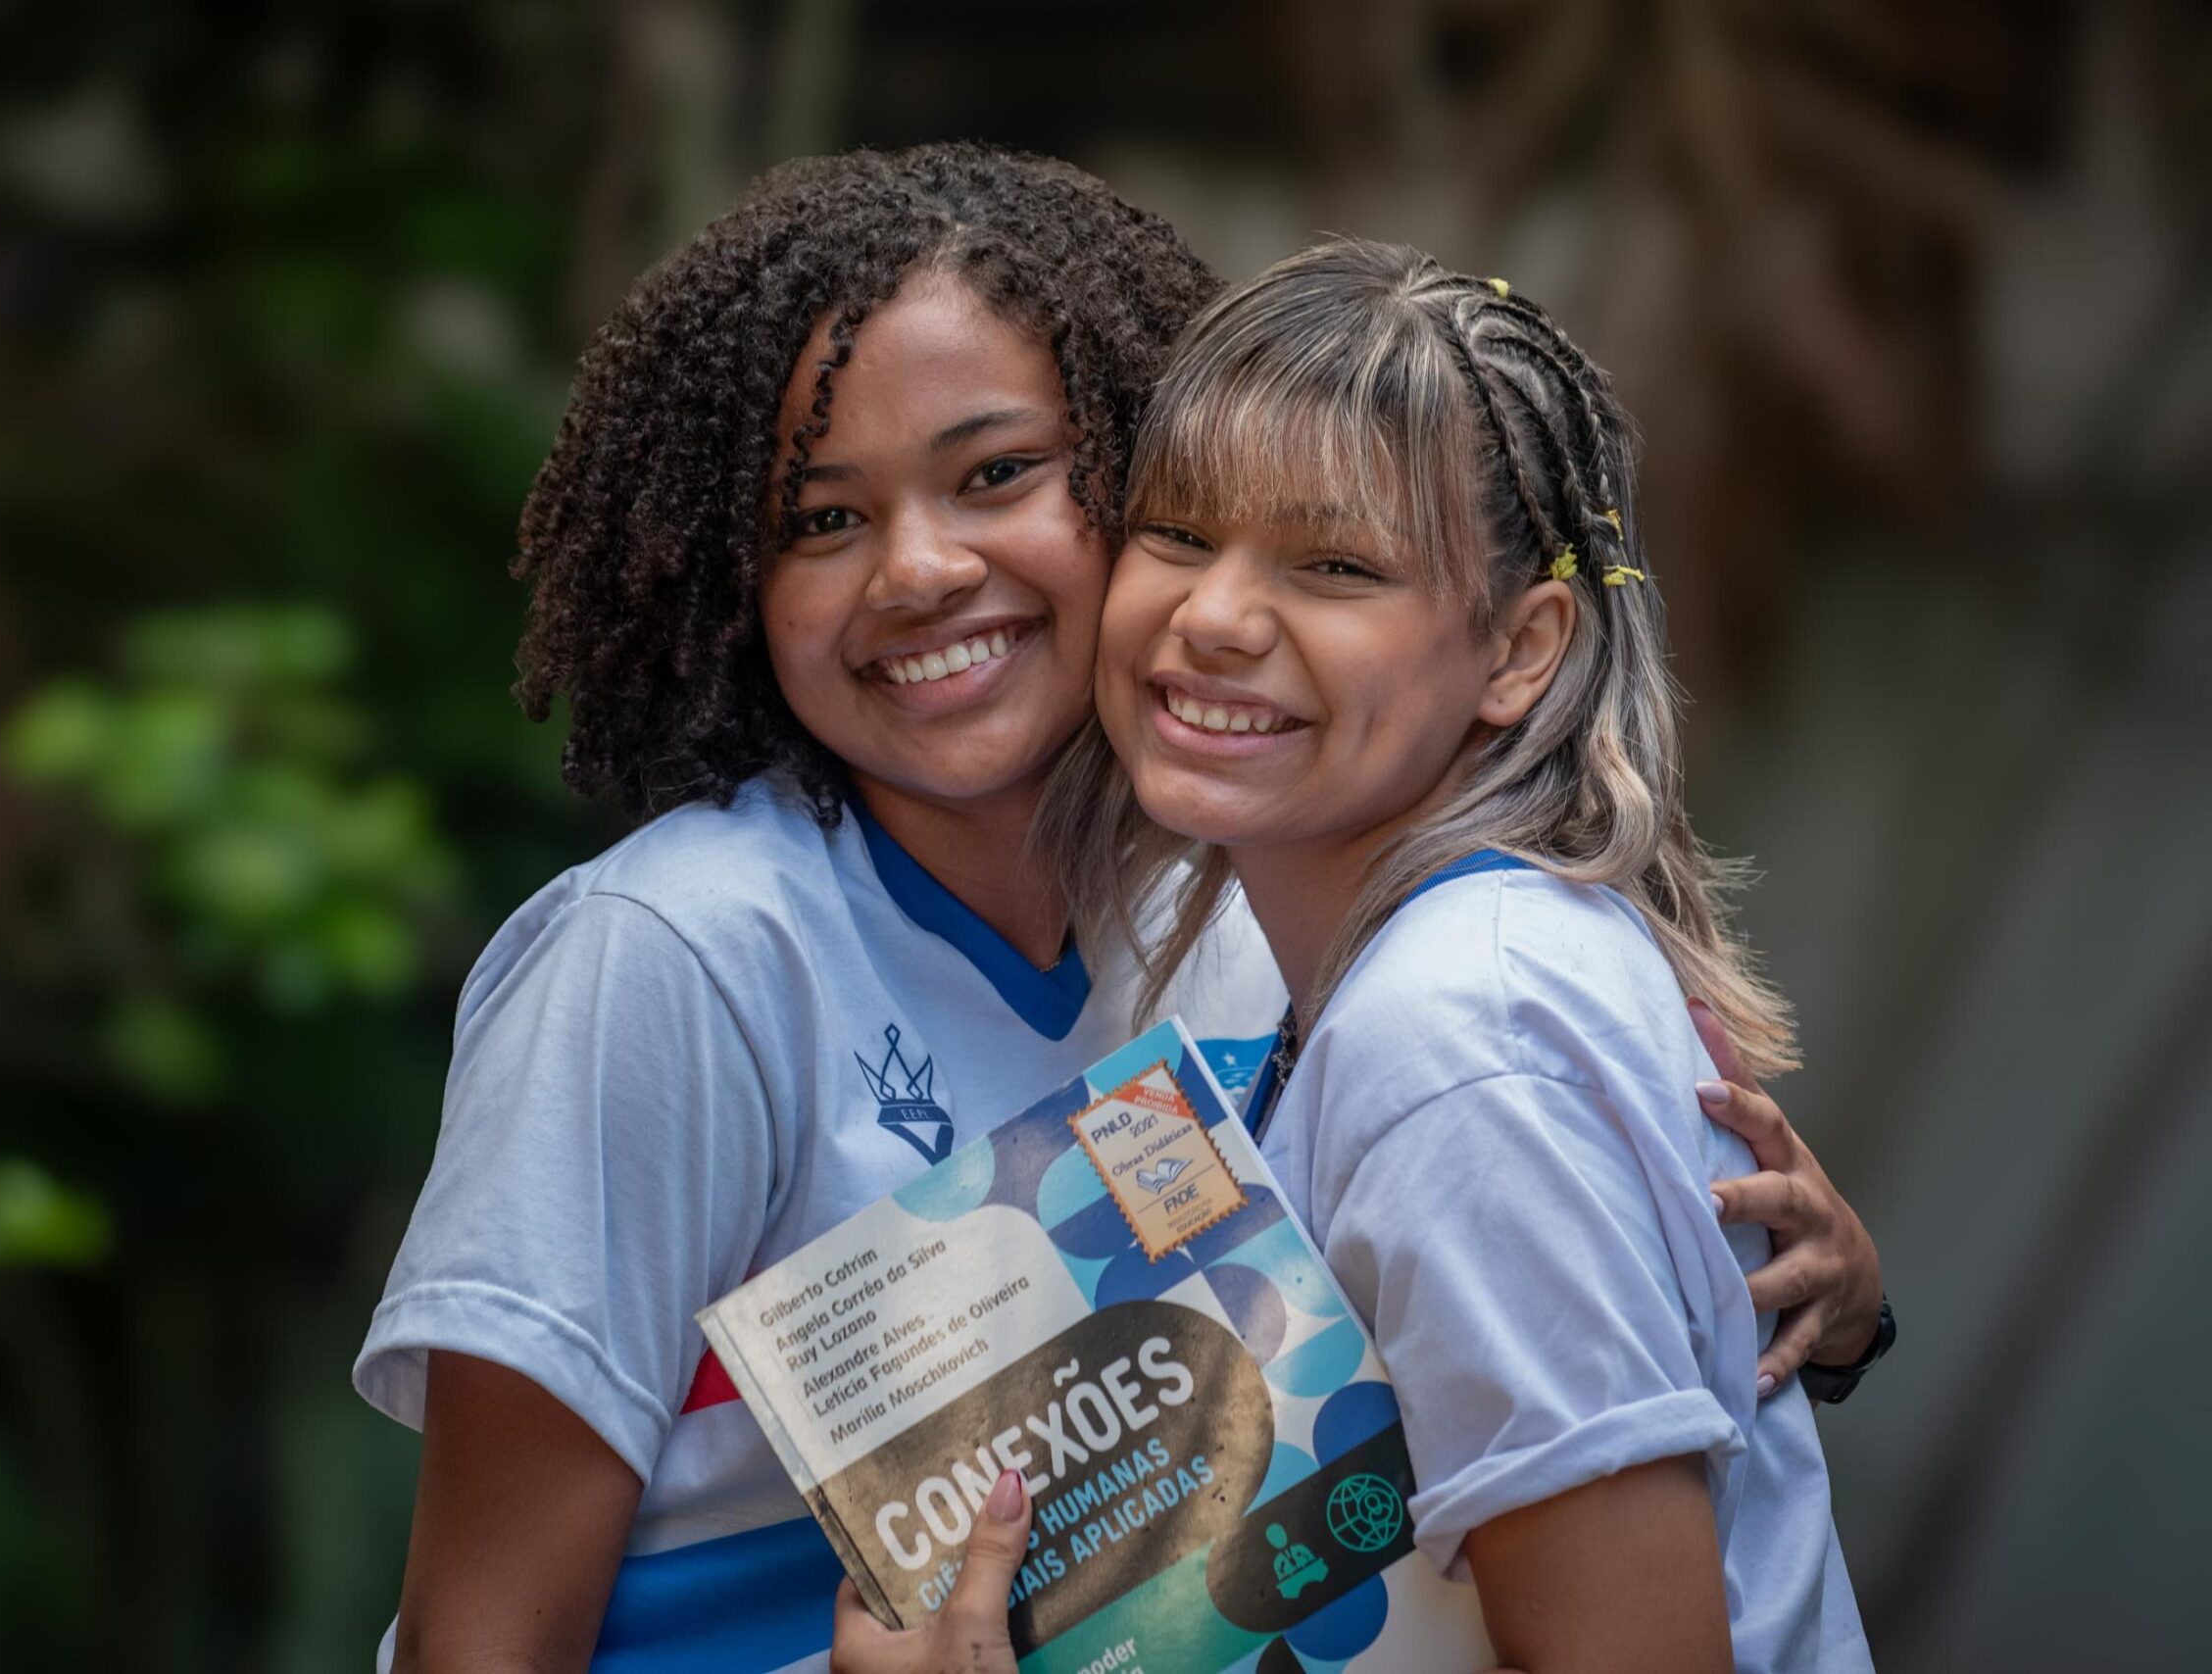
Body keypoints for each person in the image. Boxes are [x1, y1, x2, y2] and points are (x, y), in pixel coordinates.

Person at [354, 150, 1884, 1674]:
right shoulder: (673, 961)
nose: (919, 568)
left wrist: (1803, 1295)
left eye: (996, 473)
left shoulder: (1276, 924)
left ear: (1126, 482)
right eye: (819, 520)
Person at [1045, 238, 1873, 1669]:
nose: (1217, 616)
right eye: (1177, 532)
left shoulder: (1455, 1042)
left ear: (1519, 649)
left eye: (1335, 565)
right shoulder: (1399, 959)